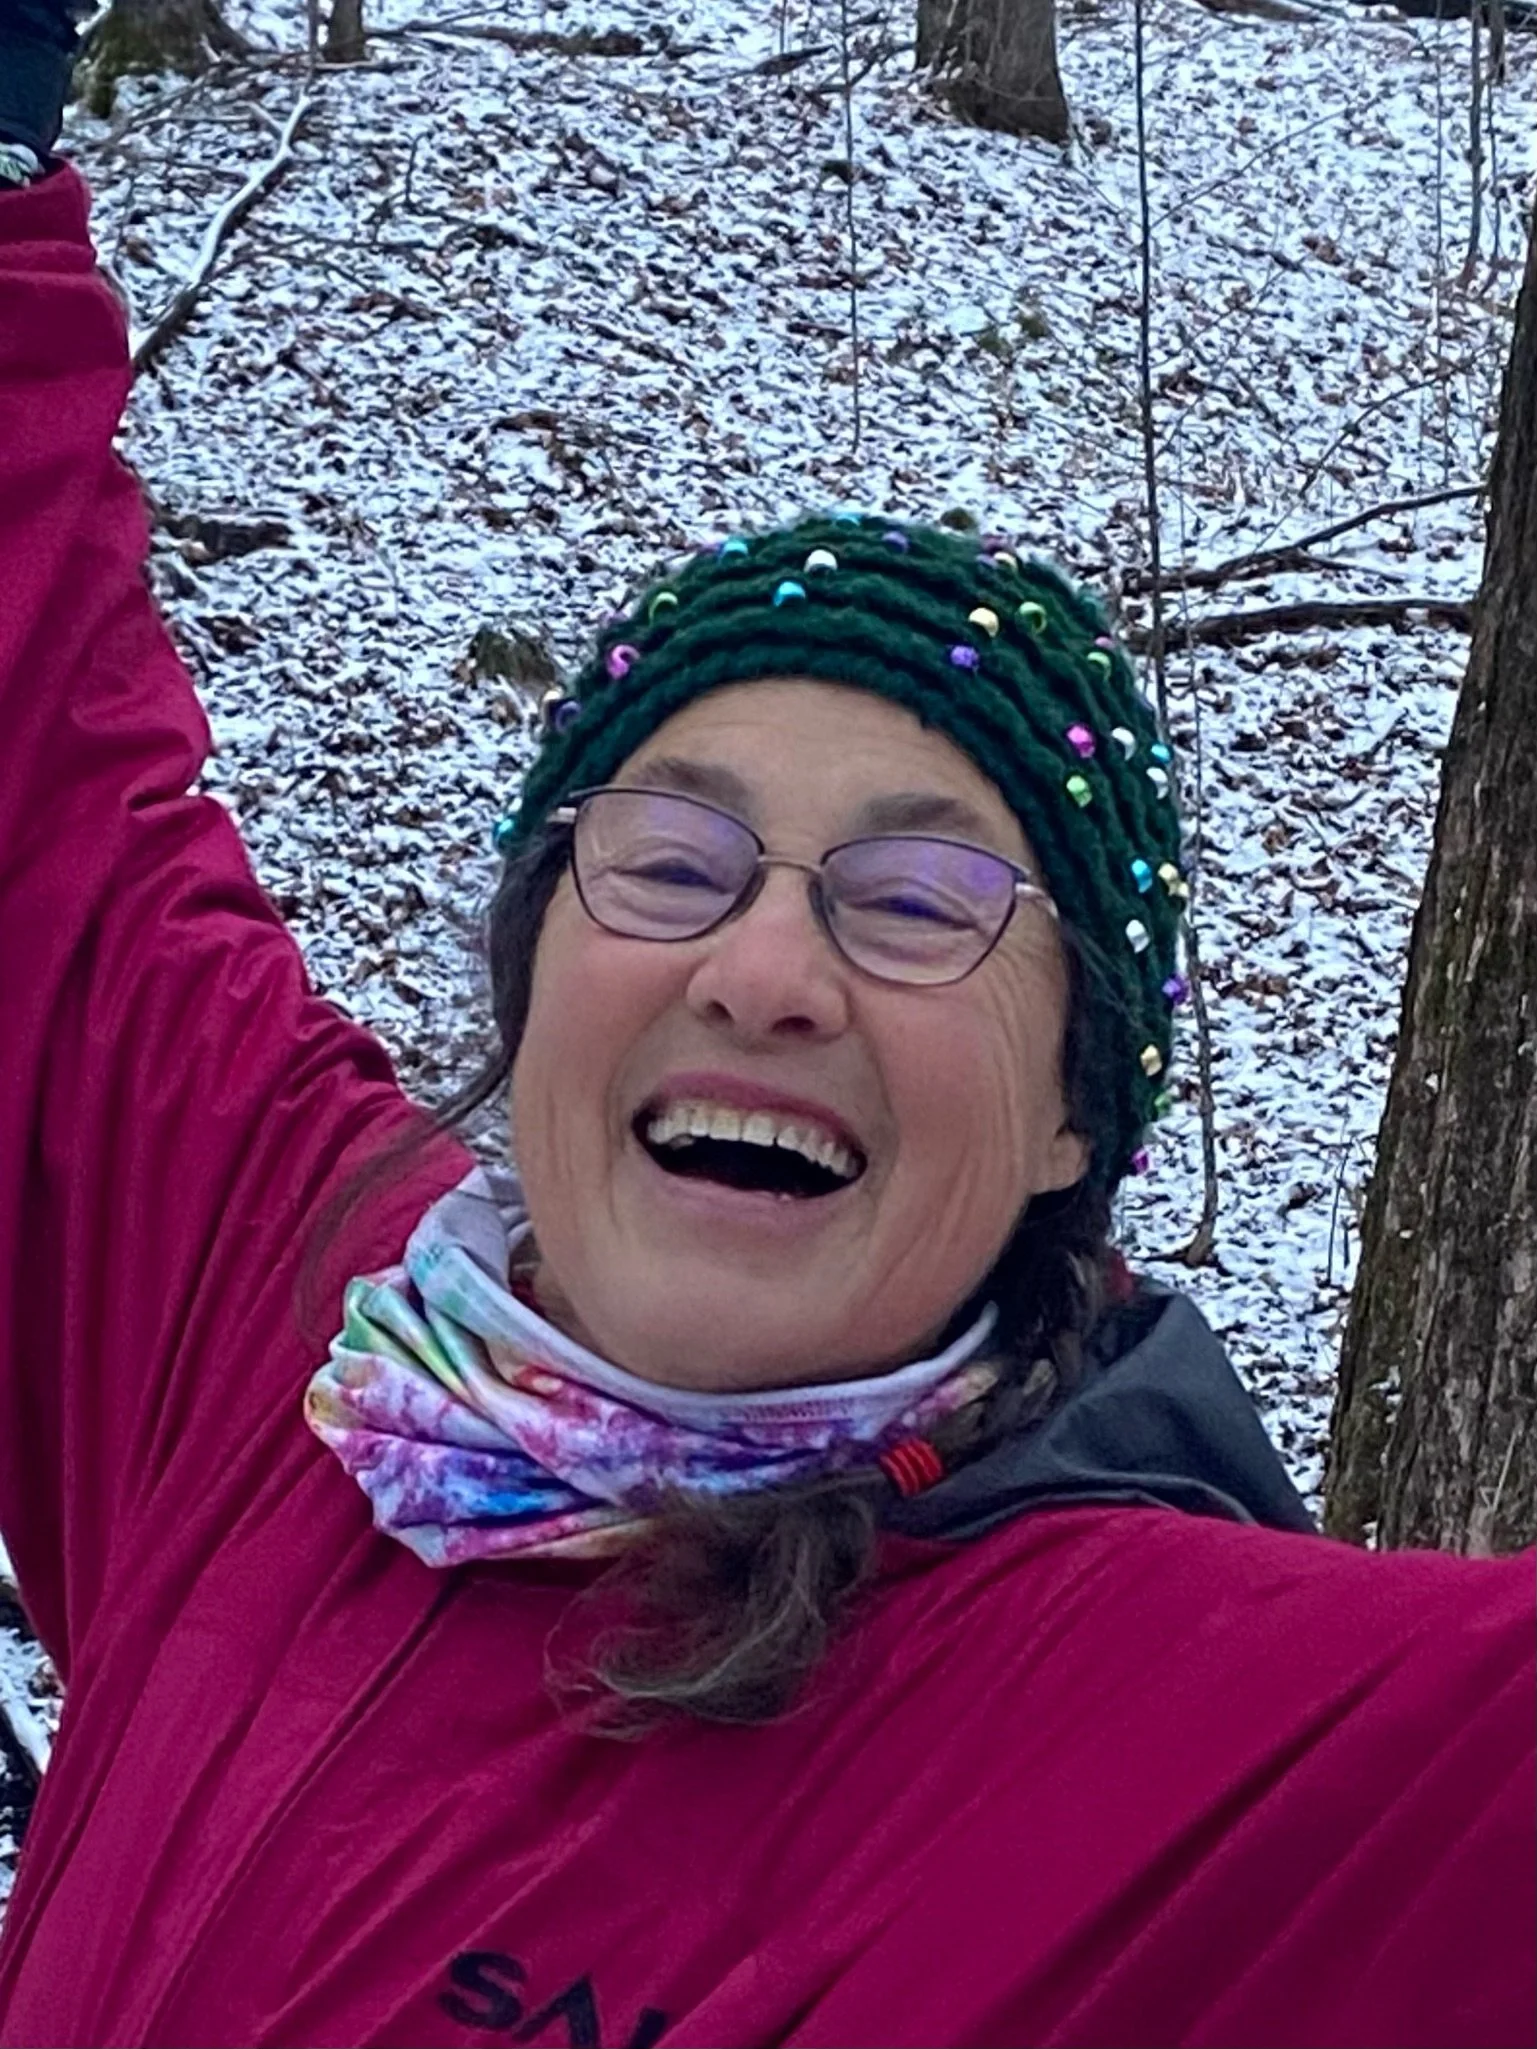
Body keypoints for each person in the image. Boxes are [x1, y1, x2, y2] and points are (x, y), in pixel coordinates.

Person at [1, 15, 1533, 2049]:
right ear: (542, 951)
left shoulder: (1234, 1749)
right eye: (668, 858)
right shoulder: (269, 1333)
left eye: (916, 905)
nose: (766, 970)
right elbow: (38, 799)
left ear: (1075, 1118)